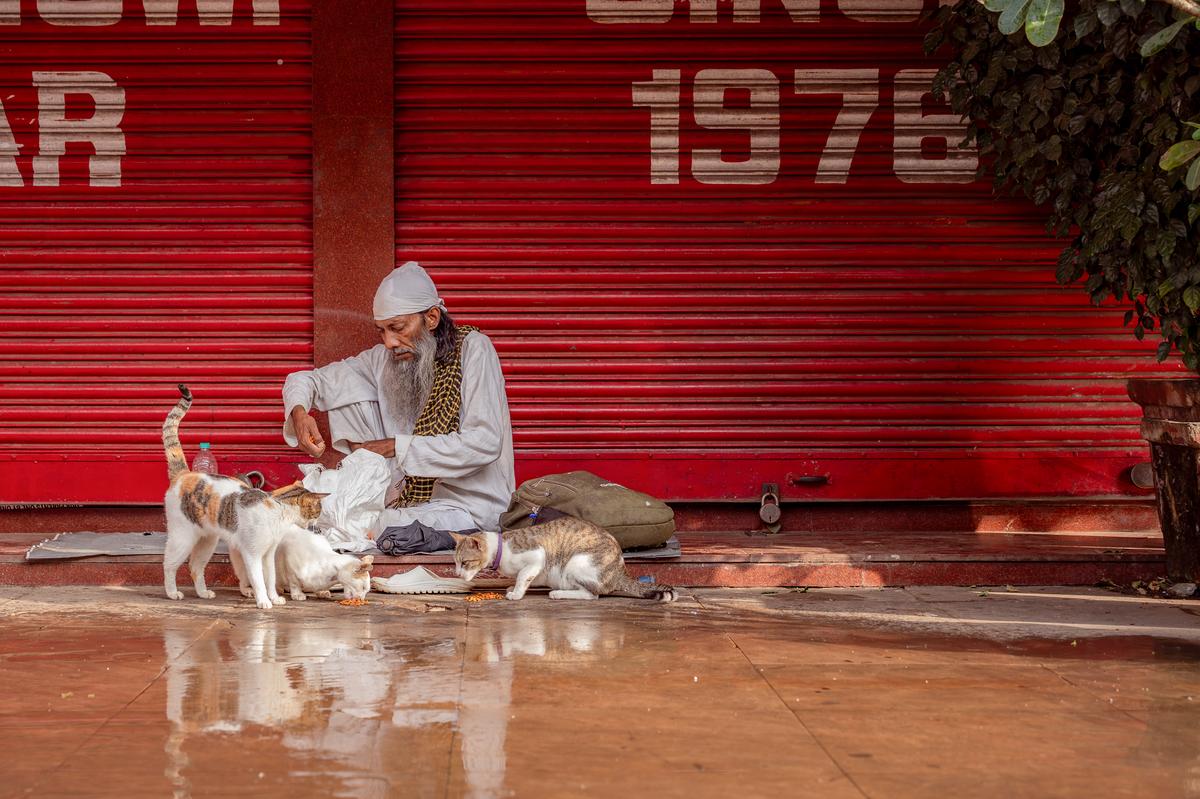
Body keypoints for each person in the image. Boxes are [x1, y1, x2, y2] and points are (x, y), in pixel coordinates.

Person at [281, 261, 514, 532]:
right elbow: (309, 380)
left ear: (431, 318)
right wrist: (299, 411)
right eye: (382, 331)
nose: (389, 342)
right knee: (340, 517)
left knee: (358, 524)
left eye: (398, 327)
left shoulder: (474, 350)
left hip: (469, 507)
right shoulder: (383, 360)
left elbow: (483, 442)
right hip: (406, 501)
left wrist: (395, 447)